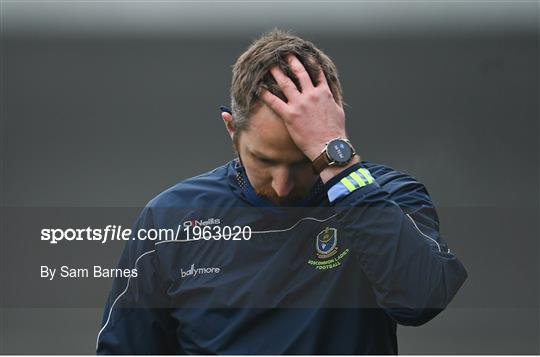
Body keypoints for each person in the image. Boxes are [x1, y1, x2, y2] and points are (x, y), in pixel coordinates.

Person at [96, 29, 468, 354]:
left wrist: (336, 160)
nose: (282, 184)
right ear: (231, 129)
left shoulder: (387, 196)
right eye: (264, 161)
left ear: (335, 130)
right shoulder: (171, 219)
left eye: (302, 161)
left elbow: (420, 300)